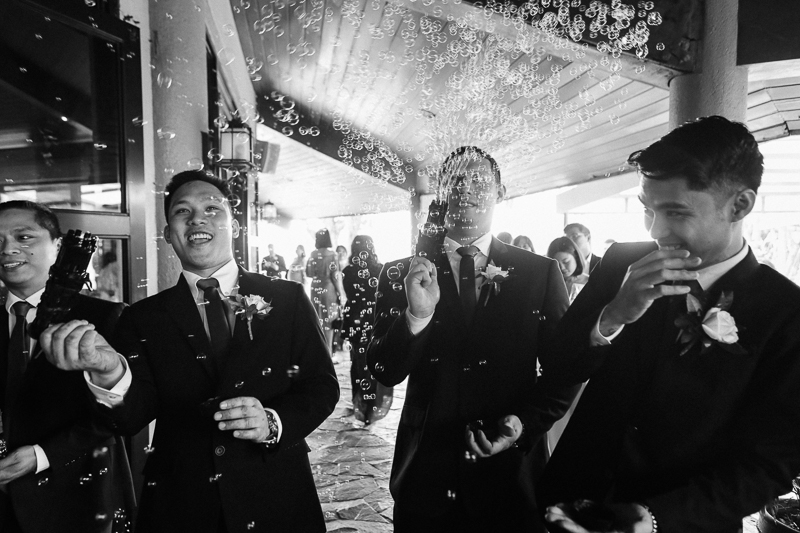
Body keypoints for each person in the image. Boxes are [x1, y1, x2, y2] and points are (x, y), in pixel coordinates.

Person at [539, 116, 800, 533]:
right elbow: (556, 367)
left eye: (675, 212)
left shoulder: (786, 312)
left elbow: (770, 462)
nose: (656, 230)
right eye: (648, 210)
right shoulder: (623, 263)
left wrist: (655, 518)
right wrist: (613, 316)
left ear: (739, 206)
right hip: (566, 505)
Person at [41, 171, 339, 533]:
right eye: (183, 211)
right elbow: (131, 418)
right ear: (169, 234)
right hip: (181, 500)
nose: (198, 218)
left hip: (276, 490)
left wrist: (273, 422)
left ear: (235, 226)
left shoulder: (288, 298)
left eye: (212, 209)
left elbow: (321, 386)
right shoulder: (142, 318)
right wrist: (108, 373)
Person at [367, 146, 578, 532]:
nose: (466, 188)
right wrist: (417, 315)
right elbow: (385, 369)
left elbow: (564, 371)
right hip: (425, 473)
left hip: (511, 476)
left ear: (500, 192)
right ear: (442, 191)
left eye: (479, 180)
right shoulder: (404, 272)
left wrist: (523, 424)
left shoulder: (539, 273)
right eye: (456, 180)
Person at [0, 201, 134, 533]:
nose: (8, 249)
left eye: (24, 237)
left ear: (58, 245)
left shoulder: (106, 317)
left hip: (76, 503)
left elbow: (119, 414)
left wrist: (41, 455)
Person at [341, 235, 392, 425]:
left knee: (357, 363)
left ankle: (361, 406)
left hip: (355, 319)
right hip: (375, 319)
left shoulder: (348, 271)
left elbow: (350, 294)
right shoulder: (380, 269)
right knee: (375, 362)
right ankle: (373, 406)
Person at [306, 229, 345, 358]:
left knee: (317, 320)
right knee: (329, 321)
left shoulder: (313, 254)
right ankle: (328, 354)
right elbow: (335, 276)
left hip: (315, 288)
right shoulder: (333, 255)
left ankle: (319, 354)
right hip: (329, 288)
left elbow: (309, 273)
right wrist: (340, 293)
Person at [546, 236, 587, 303]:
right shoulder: (549, 284)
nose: (562, 267)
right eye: (556, 264)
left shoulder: (590, 282)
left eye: (566, 262)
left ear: (576, 257)